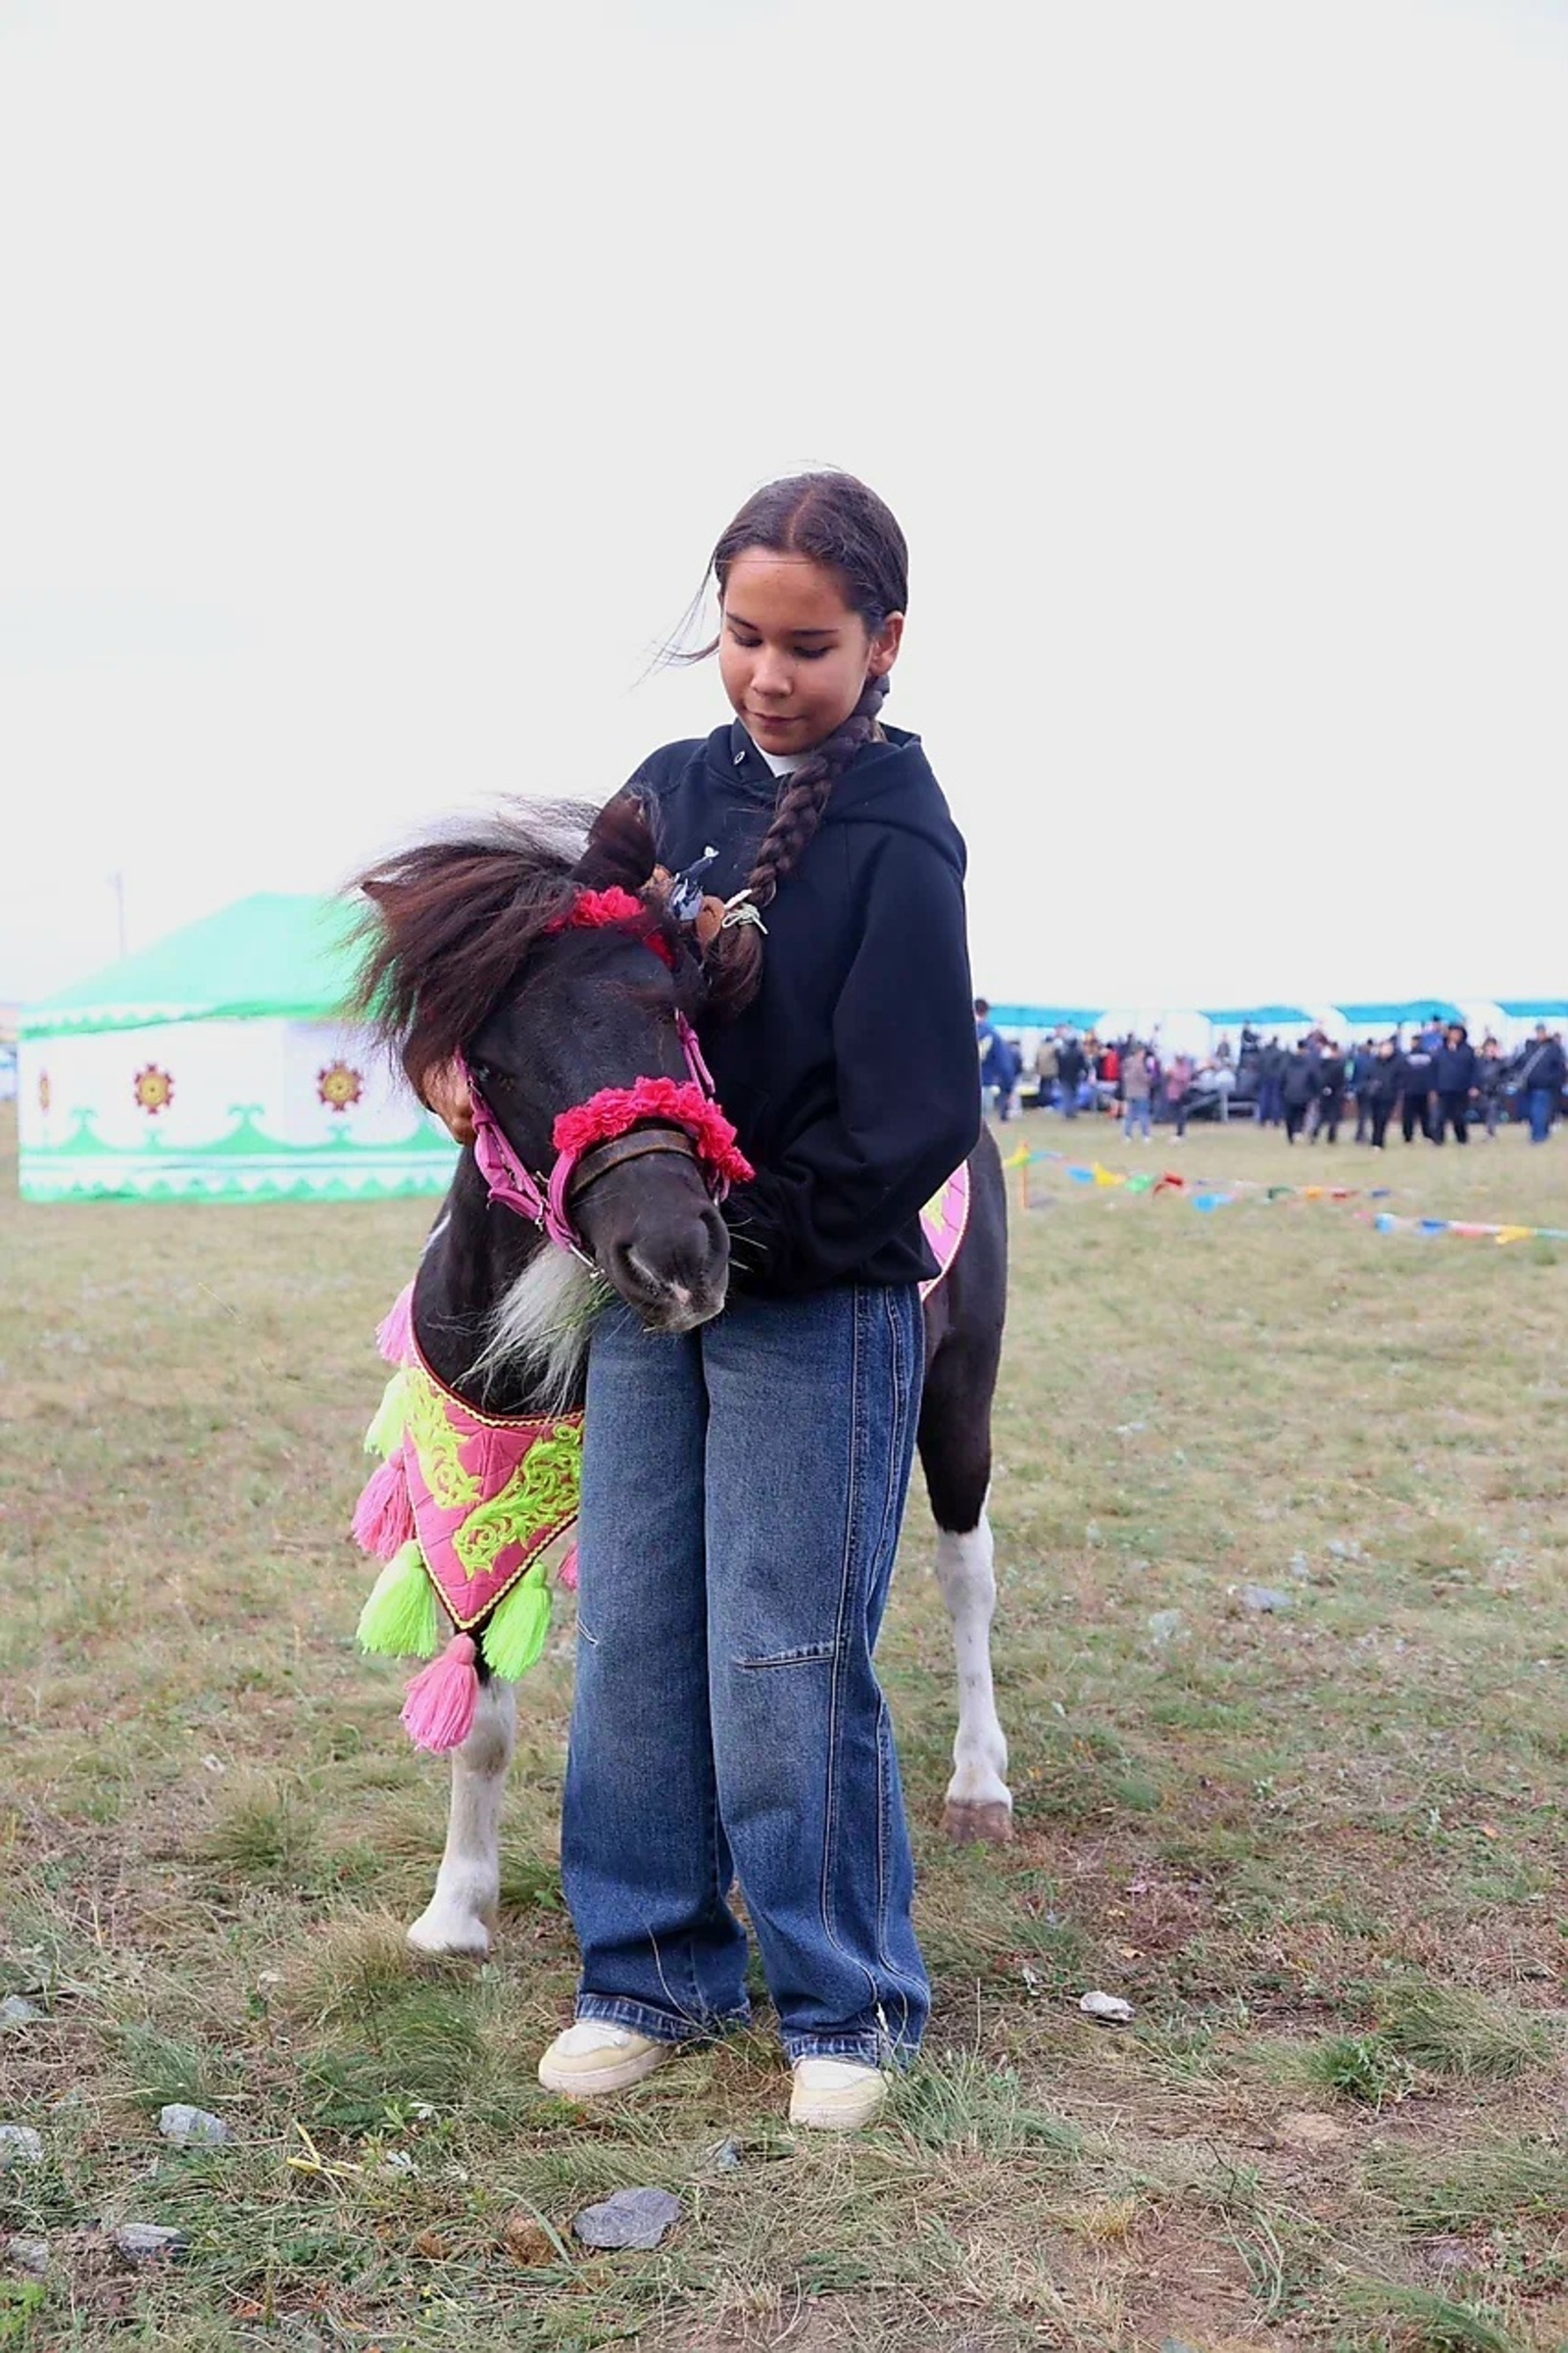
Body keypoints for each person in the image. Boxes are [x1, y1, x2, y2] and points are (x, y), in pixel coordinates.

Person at [429, 473, 978, 2132]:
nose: (768, 670)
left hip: (819, 1293)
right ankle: (650, 1973)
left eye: (808, 643)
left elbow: (916, 1119)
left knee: (787, 1645)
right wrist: (471, 1058)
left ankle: (847, 2001)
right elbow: (557, 981)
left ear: (883, 642)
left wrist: (741, 1242)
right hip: (645, 1291)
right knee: (646, 1635)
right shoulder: (661, 797)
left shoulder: (899, 835)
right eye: (743, 634)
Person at [1516, 1024, 1566, 1145]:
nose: (1540, 1034)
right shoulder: (1529, 1048)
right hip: (1528, 1086)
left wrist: (1553, 1081)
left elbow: (1560, 1068)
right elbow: (1519, 1063)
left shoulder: (1554, 1049)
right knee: (1531, 1113)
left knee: (1539, 1111)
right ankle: (1541, 1133)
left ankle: (1538, 1137)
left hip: (1545, 1087)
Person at [1430, 1023, 1478, 1145]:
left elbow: (1475, 1070)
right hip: (1443, 1089)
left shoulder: (1468, 1051)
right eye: (1453, 1032)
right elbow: (1433, 1071)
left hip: (1461, 1089)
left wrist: (1474, 1086)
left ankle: (1462, 1139)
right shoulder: (1439, 1051)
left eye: (1458, 1033)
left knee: (1459, 1117)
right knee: (1439, 1116)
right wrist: (1433, 1089)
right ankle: (1438, 1140)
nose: (1455, 1035)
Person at [1365, 1037, 1403, 1150]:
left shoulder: (1397, 1063)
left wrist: (1394, 1089)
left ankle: (1379, 1141)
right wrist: (1370, 1086)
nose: (1387, 1051)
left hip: (1389, 1095)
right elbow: (1367, 1076)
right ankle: (1375, 1140)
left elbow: (1400, 1078)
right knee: (1375, 1118)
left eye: (1389, 1048)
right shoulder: (1373, 1062)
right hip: (1374, 1095)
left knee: (1383, 1117)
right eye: (1385, 1048)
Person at [1399, 1032, 1435, 1143]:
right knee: (1408, 1116)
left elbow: (1431, 1072)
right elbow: (1402, 1073)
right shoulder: (1406, 1056)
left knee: (1425, 1115)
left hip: (1423, 1090)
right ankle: (1408, 1136)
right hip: (1409, 1091)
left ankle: (1428, 1135)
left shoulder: (1428, 1056)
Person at [1281, 1040, 1317, 1143]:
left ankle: (1291, 1134)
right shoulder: (1310, 1062)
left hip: (1289, 1092)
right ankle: (1298, 1130)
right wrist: (1315, 1092)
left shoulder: (1288, 1061)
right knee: (1300, 1114)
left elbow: (1282, 1076)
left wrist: (1283, 1089)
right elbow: (1314, 1078)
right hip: (1304, 1093)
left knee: (1290, 1115)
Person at [1121, 1039, 1153, 1142]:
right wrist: (1151, 1076)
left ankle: (1127, 1135)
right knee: (1143, 1114)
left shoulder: (1126, 1063)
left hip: (1129, 1092)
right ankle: (1146, 1135)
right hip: (1141, 1093)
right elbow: (1144, 1078)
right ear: (1139, 1052)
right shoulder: (1139, 1064)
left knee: (1129, 1115)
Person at [1056, 1031, 1087, 1119]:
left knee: (1066, 1095)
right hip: (1075, 1076)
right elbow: (1083, 1065)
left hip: (1064, 1077)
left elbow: (1059, 1065)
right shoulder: (1079, 1053)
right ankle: (1073, 1112)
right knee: (1074, 1095)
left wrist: (1059, 1076)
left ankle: (1067, 1112)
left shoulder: (1063, 1054)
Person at [1164, 1051, 1195, 1139]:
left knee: (1180, 1113)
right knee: (1175, 1113)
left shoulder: (1186, 1067)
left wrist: (1173, 1074)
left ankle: (1180, 1132)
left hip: (1181, 1093)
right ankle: (1179, 1131)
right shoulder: (1174, 1066)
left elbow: (1184, 1078)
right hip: (1172, 1093)